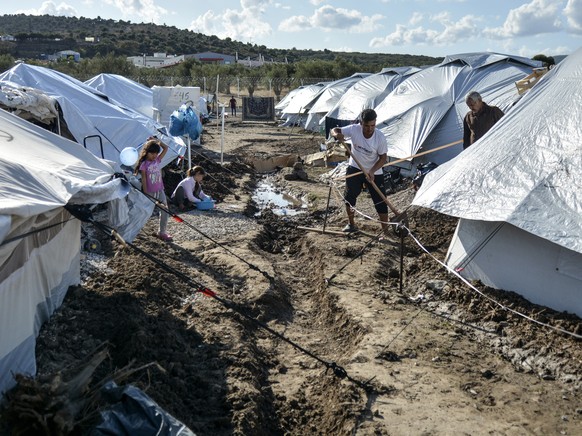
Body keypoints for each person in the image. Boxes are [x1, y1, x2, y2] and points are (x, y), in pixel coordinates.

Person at [331, 109, 389, 235]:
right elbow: (334, 130)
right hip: (355, 168)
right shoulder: (353, 129)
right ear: (361, 123)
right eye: (366, 126)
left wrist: (372, 171)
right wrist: (336, 135)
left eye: (372, 125)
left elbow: (383, 158)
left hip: (374, 171)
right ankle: (351, 224)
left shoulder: (380, 137)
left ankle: (385, 231)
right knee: (350, 196)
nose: (369, 129)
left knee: (380, 200)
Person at [135, 137, 173, 242]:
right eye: (152, 153)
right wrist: (146, 192)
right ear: (146, 152)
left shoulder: (157, 160)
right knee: (145, 212)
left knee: (165, 210)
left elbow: (166, 148)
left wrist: (157, 140)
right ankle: (136, 229)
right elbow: (143, 178)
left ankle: (162, 232)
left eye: (156, 153)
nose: (154, 155)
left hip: (160, 189)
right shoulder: (144, 164)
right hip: (150, 191)